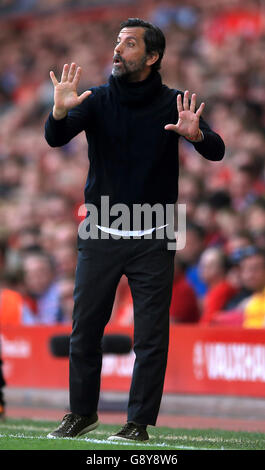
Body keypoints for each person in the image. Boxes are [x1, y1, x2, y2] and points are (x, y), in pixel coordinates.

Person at [44, 18, 224, 442]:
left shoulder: (175, 102)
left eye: (129, 43)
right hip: (101, 226)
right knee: (84, 330)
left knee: (150, 337)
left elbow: (217, 149)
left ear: (152, 56)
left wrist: (197, 136)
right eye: (117, 42)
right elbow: (55, 138)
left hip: (157, 232)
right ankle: (81, 413)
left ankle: (137, 423)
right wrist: (58, 110)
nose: (118, 50)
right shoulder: (96, 99)